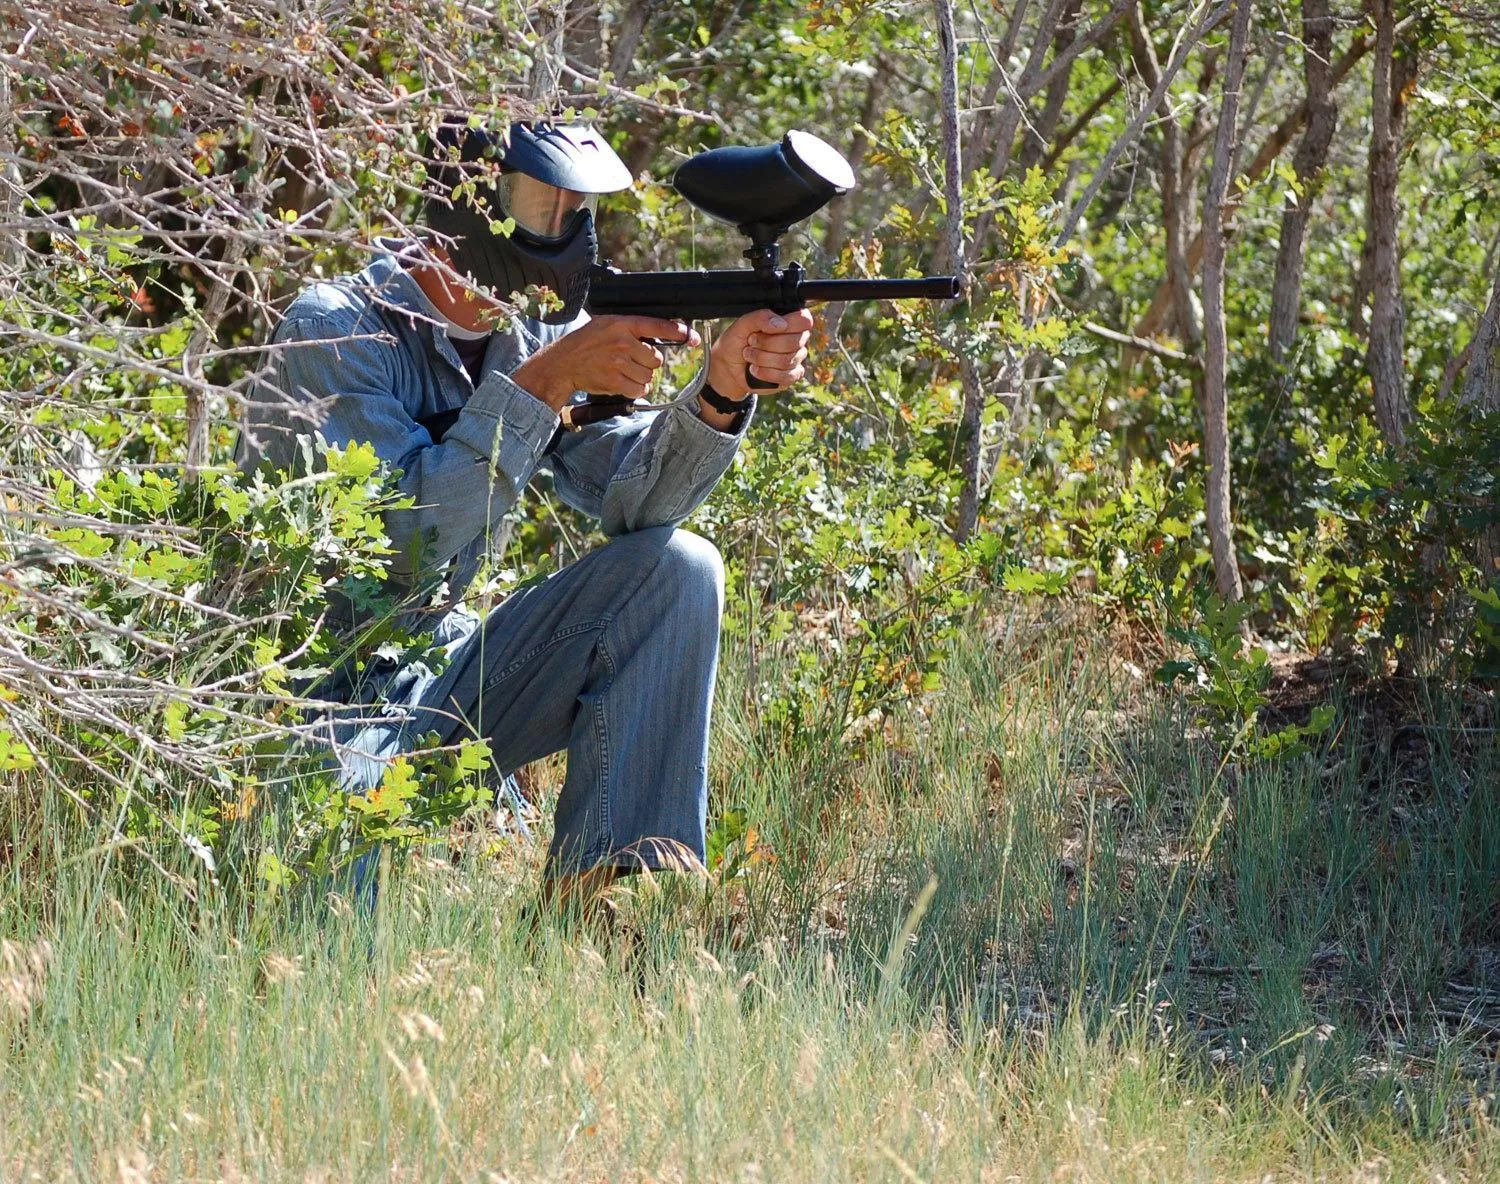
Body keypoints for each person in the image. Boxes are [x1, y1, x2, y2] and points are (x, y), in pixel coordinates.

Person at [238, 120, 816, 912]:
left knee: (679, 570)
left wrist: (720, 392)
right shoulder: (336, 328)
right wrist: (539, 387)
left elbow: (634, 503)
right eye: (544, 204)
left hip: (441, 669)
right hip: (310, 685)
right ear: (472, 204)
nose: (568, 228)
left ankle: (607, 903)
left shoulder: (536, 331)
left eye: (578, 207)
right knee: (320, 899)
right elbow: (397, 543)